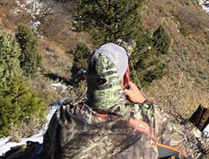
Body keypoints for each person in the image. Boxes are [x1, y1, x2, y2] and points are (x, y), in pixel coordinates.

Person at [42, 43, 197, 159]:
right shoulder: (146, 116)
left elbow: (48, 151)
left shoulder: (62, 117)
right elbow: (184, 149)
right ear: (125, 77)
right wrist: (145, 102)